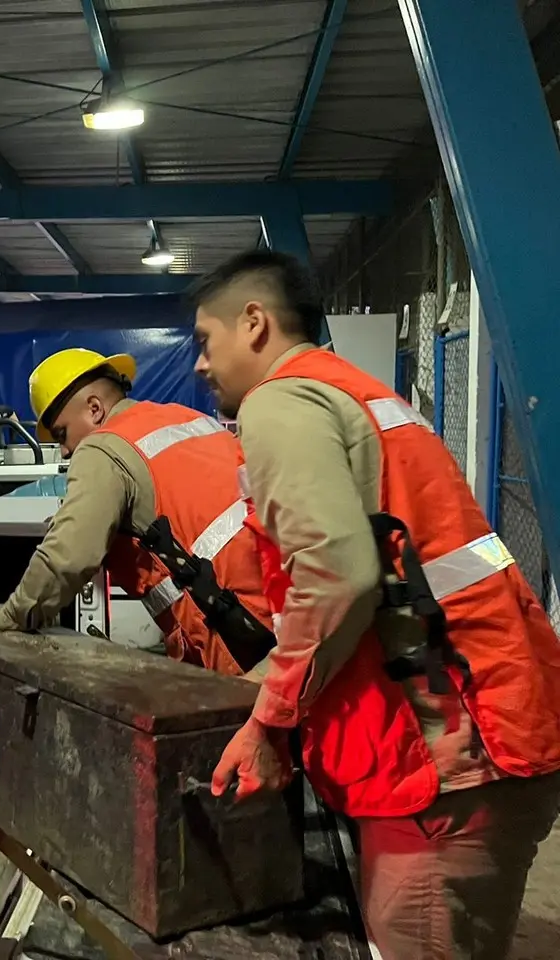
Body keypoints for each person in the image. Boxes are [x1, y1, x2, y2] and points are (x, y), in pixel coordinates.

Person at [192, 249, 560, 959]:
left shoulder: (282, 399)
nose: (202, 365)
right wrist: (266, 679)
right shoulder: (363, 395)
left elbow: (336, 577)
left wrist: (270, 722)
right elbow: (390, 575)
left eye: (206, 342)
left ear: (255, 323)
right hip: (498, 719)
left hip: (446, 757)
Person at [0, 347, 275, 679]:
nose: (64, 450)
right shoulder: (185, 417)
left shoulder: (103, 447)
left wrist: (4, 628)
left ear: (95, 409)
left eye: (63, 434)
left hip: (241, 636)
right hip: (284, 610)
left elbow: (66, 558)